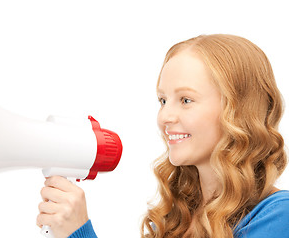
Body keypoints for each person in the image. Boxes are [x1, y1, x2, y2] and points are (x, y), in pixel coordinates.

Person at [36, 34, 289, 238]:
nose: (165, 116)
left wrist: (79, 234)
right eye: (163, 100)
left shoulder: (279, 216)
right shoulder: (173, 223)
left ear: (238, 111)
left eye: (186, 100)